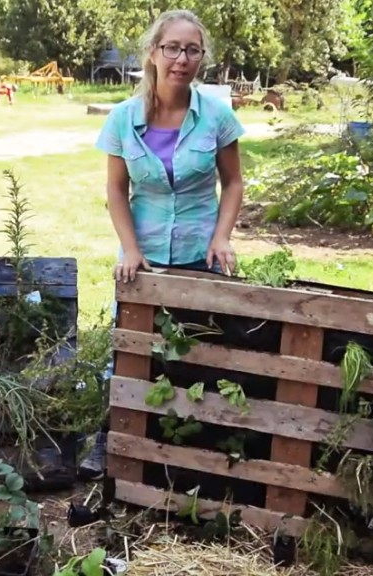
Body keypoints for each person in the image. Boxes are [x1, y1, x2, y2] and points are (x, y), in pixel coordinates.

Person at [78, 9, 246, 481]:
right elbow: (115, 189)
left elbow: (232, 183)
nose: (182, 59)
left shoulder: (216, 115)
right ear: (153, 53)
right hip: (144, 256)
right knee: (132, 353)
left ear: (202, 58)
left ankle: (193, 452)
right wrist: (130, 249)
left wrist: (222, 236)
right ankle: (111, 439)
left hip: (200, 253)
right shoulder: (122, 120)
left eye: (192, 50)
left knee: (203, 353)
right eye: (172, 48)